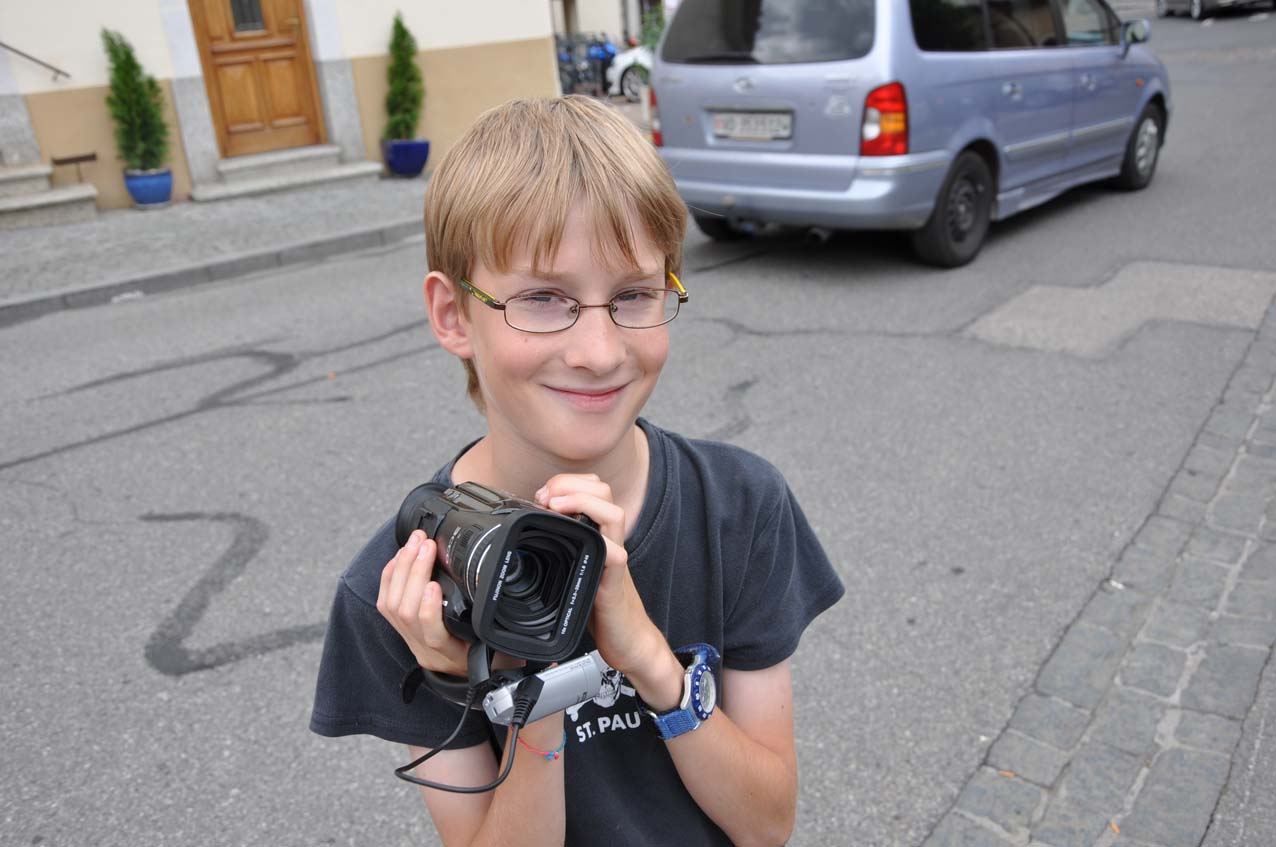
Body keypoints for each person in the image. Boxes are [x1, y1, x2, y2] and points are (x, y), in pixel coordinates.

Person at [309, 95, 844, 847]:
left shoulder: (739, 506)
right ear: (453, 314)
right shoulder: (403, 592)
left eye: (634, 294)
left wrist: (651, 660)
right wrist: (528, 689)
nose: (598, 351)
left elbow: (767, 823)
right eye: (543, 298)